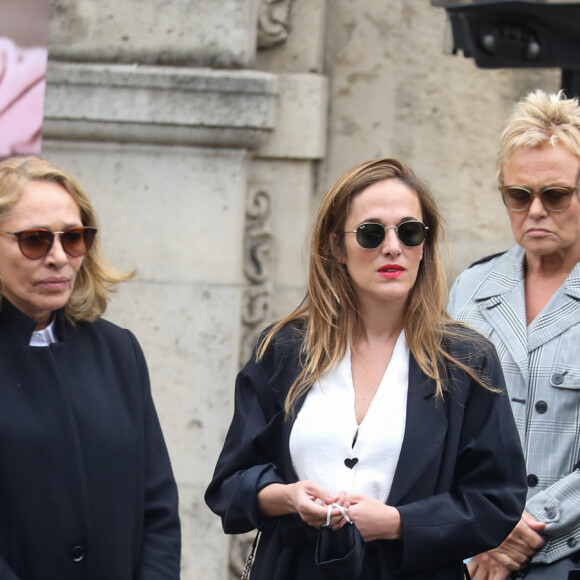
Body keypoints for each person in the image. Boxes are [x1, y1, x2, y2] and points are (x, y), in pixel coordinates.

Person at [206, 157, 527, 579]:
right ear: (338, 247)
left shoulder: (466, 360)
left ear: (424, 246)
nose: (392, 247)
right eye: (371, 233)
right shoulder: (283, 349)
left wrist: (398, 523)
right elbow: (231, 483)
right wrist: (287, 496)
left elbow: (496, 500)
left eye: (409, 232)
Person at [0, 156, 181, 579]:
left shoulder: (118, 350)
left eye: (75, 238)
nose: (59, 257)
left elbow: (157, 508)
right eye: (35, 240)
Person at [448, 90, 580, 579]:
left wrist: (527, 526)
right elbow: (438, 423)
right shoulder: (470, 289)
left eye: (556, 194)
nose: (536, 210)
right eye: (519, 196)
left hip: (567, 554)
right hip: (469, 552)